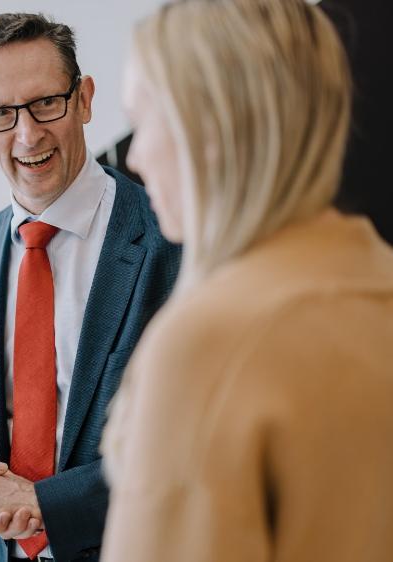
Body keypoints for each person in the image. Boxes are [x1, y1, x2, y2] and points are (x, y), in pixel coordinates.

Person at [101, 0, 393, 561]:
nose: (134, 158)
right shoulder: (377, 285)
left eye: (142, 121)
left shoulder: (209, 344)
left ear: (210, 126)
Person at [0, 13, 181, 562]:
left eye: (47, 102)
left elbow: (190, 446)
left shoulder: (170, 237)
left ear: (85, 99)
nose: (28, 134)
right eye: (0, 113)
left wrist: (47, 502)